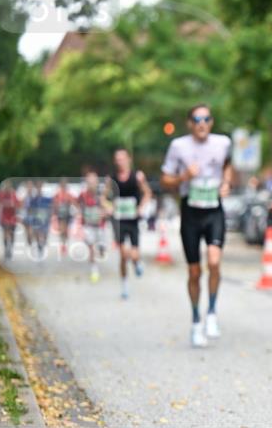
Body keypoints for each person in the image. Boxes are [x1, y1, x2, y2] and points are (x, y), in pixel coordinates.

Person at [160, 104, 233, 348]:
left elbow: (227, 166)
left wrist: (226, 183)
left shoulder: (222, 142)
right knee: (194, 272)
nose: (202, 123)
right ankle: (195, 321)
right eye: (197, 119)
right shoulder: (178, 146)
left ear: (211, 122)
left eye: (206, 119)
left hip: (214, 210)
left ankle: (211, 312)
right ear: (189, 123)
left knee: (214, 262)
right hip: (190, 212)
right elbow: (165, 179)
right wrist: (183, 177)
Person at [106, 148, 152, 300]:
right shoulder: (111, 179)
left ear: (128, 159)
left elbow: (147, 193)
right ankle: (125, 285)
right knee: (123, 255)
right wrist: (109, 207)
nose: (120, 161)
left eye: (122, 158)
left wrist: (141, 207)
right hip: (119, 220)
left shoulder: (137, 177)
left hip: (133, 220)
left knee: (134, 254)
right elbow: (103, 198)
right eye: (117, 159)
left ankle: (137, 262)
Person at [78, 172, 107, 282]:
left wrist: (104, 212)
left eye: (93, 182)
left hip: (100, 226)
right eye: (89, 182)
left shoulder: (101, 195)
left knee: (101, 249)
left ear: (97, 183)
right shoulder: (82, 195)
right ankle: (94, 270)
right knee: (91, 247)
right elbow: (77, 205)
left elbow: (108, 207)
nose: (91, 184)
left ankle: (102, 248)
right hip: (88, 226)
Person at [0, 182, 19, 261]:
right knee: (5, 232)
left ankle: (11, 248)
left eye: (8, 187)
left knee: (12, 234)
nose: (7, 189)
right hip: (4, 217)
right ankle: (6, 248)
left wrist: (12, 205)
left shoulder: (13, 194)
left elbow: (17, 205)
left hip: (12, 217)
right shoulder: (2, 194)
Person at [52, 178, 75, 251]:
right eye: (62, 184)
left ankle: (64, 242)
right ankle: (63, 244)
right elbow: (54, 204)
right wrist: (54, 211)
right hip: (60, 215)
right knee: (62, 229)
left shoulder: (69, 194)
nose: (64, 186)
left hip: (67, 214)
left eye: (65, 184)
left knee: (66, 231)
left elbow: (73, 203)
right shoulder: (57, 194)